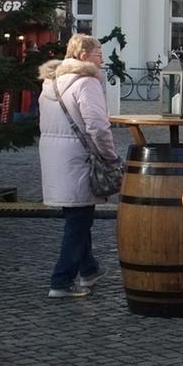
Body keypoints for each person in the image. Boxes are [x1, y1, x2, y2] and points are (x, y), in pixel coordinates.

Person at [38, 33, 118, 299]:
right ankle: (61, 281)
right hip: (78, 159)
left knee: (77, 216)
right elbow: (97, 126)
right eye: (99, 54)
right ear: (84, 57)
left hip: (56, 159)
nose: (102, 59)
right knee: (78, 221)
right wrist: (109, 156)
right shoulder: (86, 82)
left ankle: (89, 269)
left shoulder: (52, 82)